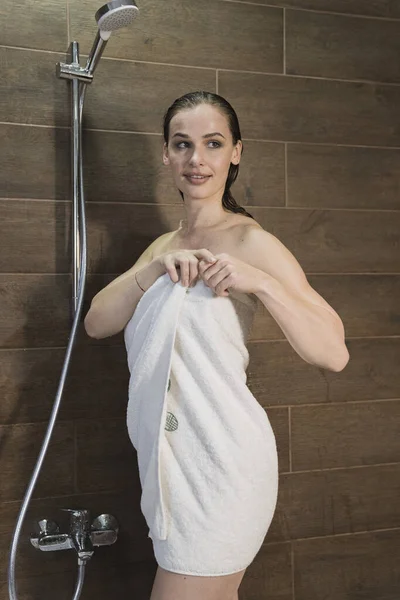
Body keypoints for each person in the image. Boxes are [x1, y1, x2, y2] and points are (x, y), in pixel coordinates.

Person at [84, 91, 349, 600]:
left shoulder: (251, 241)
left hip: (220, 461)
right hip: (168, 464)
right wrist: (148, 273)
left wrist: (262, 283)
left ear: (236, 152)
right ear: (166, 154)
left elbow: (333, 352)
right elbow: (97, 322)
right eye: (183, 144)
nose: (196, 159)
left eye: (212, 143)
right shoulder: (162, 248)